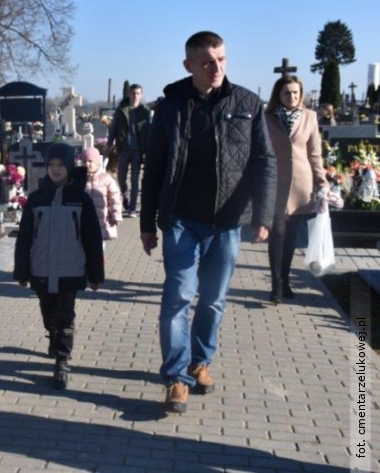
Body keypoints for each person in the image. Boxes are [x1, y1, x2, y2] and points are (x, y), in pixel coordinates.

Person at [139, 31, 276, 414]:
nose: (216, 67)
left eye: (221, 59)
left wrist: (263, 215)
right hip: (182, 221)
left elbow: (264, 162)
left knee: (213, 301)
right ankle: (176, 377)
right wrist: (147, 222)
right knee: (178, 297)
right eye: (206, 62)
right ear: (188, 65)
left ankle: (201, 362)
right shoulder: (170, 107)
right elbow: (155, 168)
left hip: (227, 223)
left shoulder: (246, 103)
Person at [14, 143, 105, 390]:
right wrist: (21, 269)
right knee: (49, 313)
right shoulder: (35, 199)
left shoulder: (80, 199)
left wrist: (96, 272)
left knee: (65, 315)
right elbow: (24, 237)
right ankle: (53, 336)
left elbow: (91, 238)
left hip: (70, 269)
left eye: (60, 165)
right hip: (41, 269)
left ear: (68, 166)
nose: (55, 169)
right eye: (51, 165)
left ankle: (62, 361)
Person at [265, 75, 328, 304]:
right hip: (276, 183)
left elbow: (314, 153)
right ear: (278, 95)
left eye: (295, 93)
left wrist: (322, 182)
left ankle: (285, 279)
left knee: (290, 237)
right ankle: (276, 284)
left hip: (302, 183)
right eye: (286, 93)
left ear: (301, 95)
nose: (291, 97)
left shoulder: (310, 117)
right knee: (278, 233)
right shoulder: (267, 118)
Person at [107, 84, 150, 217]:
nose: (135, 96)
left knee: (135, 179)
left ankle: (132, 208)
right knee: (121, 177)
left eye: (138, 93)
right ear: (129, 94)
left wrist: (148, 149)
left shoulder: (145, 112)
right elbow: (113, 128)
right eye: (133, 93)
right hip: (123, 149)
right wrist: (108, 145)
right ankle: (124, 194)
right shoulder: (121, 110)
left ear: (141, 95)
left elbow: (148, 131)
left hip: (138, 150)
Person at [80, 147, 123, 247]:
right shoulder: (80, 179)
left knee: (99, 247)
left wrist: (116, 216)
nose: (87, 164)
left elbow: (115, 198)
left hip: (101, 221)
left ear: (97, 163)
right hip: (84, 221)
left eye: (90, 161)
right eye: (84, 161)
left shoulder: (106, 179)